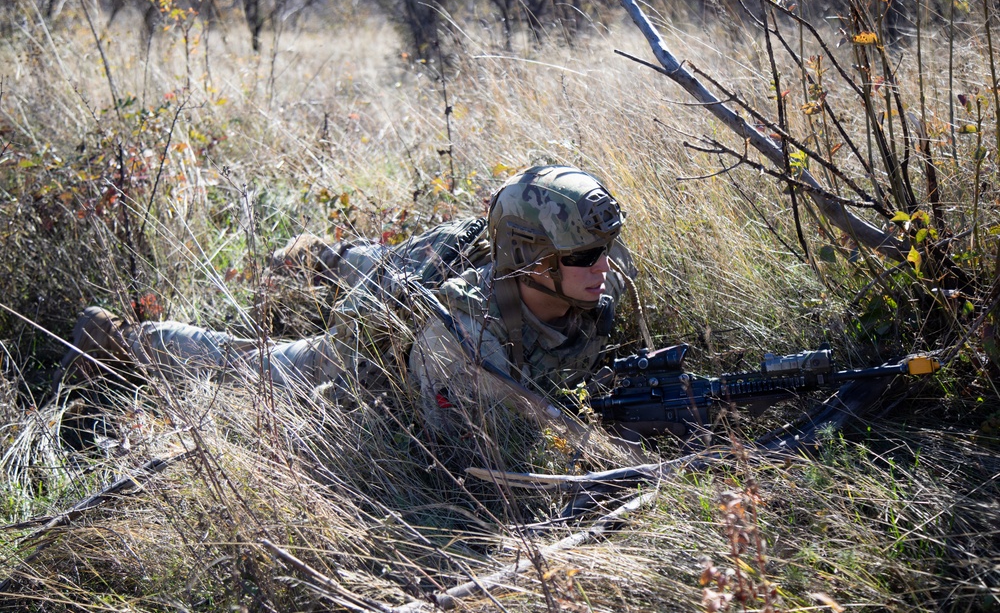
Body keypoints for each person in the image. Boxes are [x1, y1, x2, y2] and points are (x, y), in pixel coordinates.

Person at [54, 165, 638, 445]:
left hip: (424, 287)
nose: (601, 267)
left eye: (603, 250)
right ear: (530, 256)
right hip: (370, 359)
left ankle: (328, 258)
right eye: (583, 255)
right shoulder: (464, 336)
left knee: (390, 266)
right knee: (252, 366)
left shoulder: (598, 284)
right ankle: (122, 340)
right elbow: (466, 461)